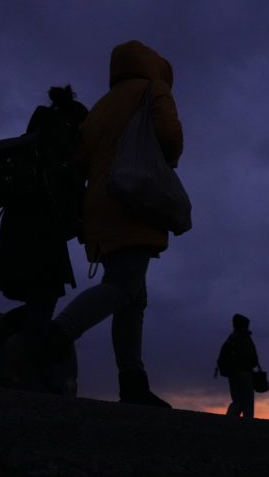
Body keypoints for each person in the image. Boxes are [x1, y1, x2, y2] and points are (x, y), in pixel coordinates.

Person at [43, 40, 184, 407]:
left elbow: (80, 160)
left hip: (100, 207)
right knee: (123, 286)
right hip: (134, 201)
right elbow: (170, 139)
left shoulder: (101, 106)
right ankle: (55, 336)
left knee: (133, 297)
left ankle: (133, 382)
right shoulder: (153, 90)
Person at [0, 86, 88, 394]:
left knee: (38, 304)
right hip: (42, 234)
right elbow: (67, 192)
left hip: (19, 231)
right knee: (42, 303)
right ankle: (23, 375)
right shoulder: (60, 142)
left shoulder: (34, 137)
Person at [216, 313, 261, 419]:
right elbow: (253, 358)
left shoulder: (231, 338)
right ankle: (247, 424)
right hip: (244, 373)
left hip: (232, 374)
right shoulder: (244, 339)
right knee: (247, 402)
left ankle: (230, 422)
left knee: (237, 401)